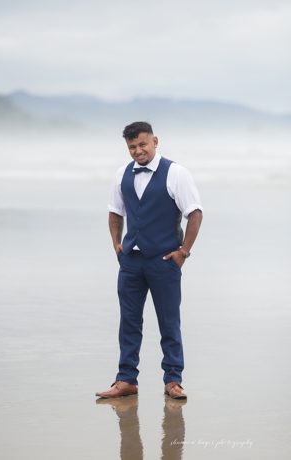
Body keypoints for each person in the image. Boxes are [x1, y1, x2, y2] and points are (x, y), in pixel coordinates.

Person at [96, 121, 202, 400]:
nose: (137, 151)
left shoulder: (176, 173)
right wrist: (117, 245)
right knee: (129, 321)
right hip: (131, 261)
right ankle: (126, 380)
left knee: (169, 323)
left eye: (142, 144)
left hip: (164, 260)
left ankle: (173, 380)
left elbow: (195, 213)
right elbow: (114, 211)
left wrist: (183, 253)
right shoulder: (122, 174)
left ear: (155, 141)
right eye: (132, 147)